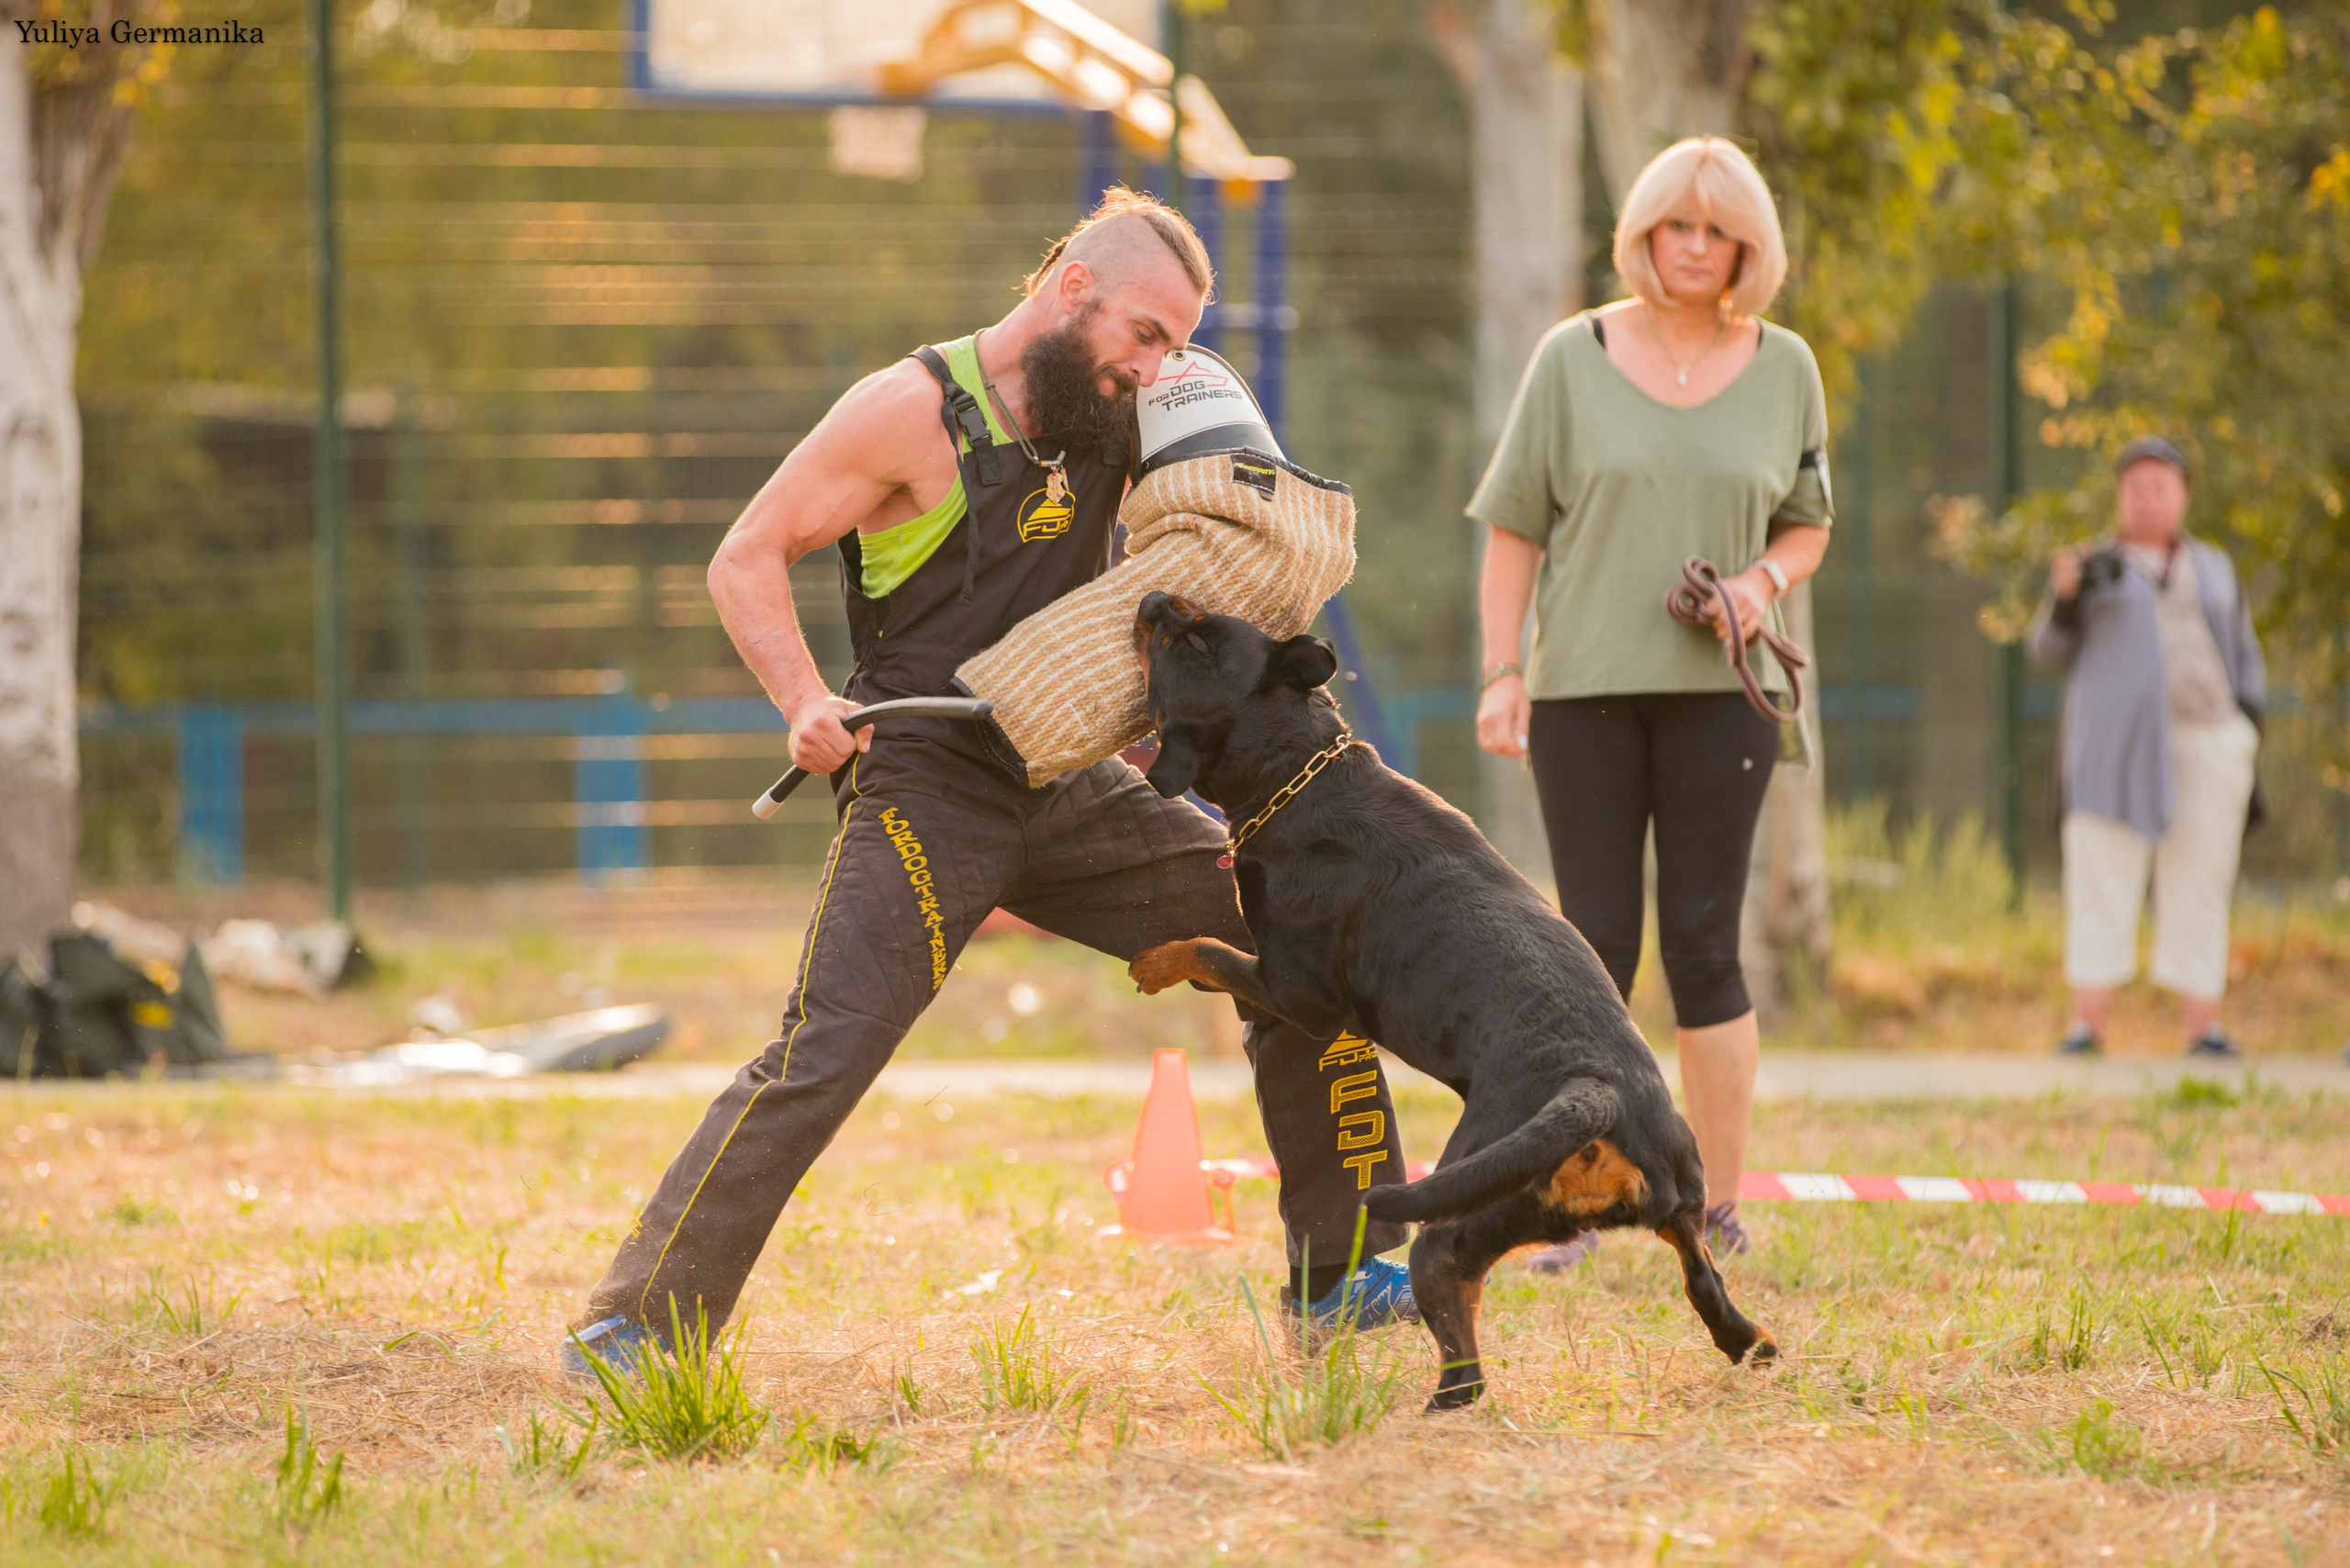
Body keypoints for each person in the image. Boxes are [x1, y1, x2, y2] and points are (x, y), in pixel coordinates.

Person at [563, 192, 1417, 1374]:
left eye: (1174, 344)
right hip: (927, 785)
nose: (1158, 365)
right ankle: (633, 1323)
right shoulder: (908, 411)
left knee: (1292, 936)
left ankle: (1348, 1273)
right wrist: (804, 700)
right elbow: (746, 554)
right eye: (1148, 333)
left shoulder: (1117, 410)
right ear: (1071, 289)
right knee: (827, 1048)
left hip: (1066, 781)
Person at [1466, 137, 1832, 1266]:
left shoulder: (1785, 366)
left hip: (1723, 697)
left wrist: (1757, 583)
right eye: (1676, 225)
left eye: (1718, 231)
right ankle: (1573, 1200)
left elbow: (1806, 522)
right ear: (1643, 232)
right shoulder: (1570, 357)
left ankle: (1711, 1204)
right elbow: (1514, 529)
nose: (1693, 248)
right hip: (1582, 692)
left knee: (1705, 949)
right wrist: (1502, 669)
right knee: (1591, 952)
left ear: (1747, 249)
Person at [2028, 436, 2265, 1058]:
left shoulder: (2213, 566)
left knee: (2200, 879)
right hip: (2113, 751)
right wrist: (2066, 596)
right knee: (2102, 874)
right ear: (2119, 497)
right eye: (2136, 488)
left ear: (2184, 494)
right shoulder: (2092, 565)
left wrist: (2246, 726)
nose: (2148, 499)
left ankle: (2201, 1031)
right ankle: (2088, 1028)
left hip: (2208, 740)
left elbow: (2244, 653)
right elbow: (2045, 651)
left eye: (2161, 486)